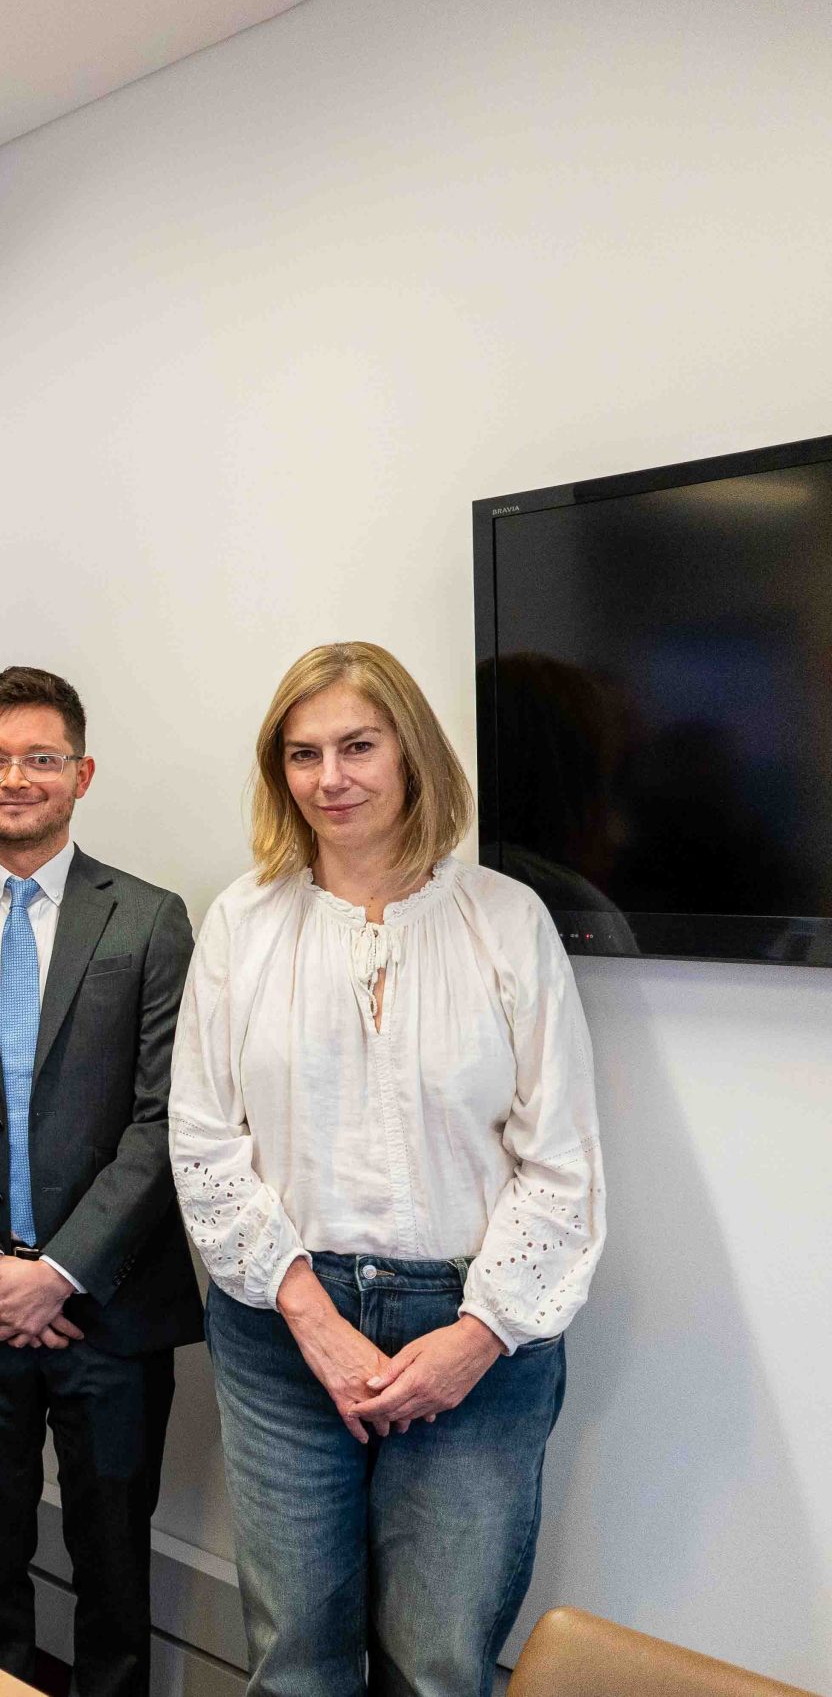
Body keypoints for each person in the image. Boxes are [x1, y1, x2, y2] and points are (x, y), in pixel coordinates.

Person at [171, 642, 606, 1697]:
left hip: (477, 1333)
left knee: (439, 1663)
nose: (331, 779)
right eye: (303, 754)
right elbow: (201, 1141)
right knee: (296, 1662)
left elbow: (561, 1165)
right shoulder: (241, 922)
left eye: (357, 746)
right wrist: (313, 1323)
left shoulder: (506, 921)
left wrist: (473, 1339)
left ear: (410, 753)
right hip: (280, 1324)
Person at [0, 667, 201, 1697]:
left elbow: (165, 1120)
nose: (15, 778)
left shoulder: (150, 920)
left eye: (40, 758)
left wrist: (59, 1270)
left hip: (108, 1306)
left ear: (82, 772)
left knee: (114, 1572)